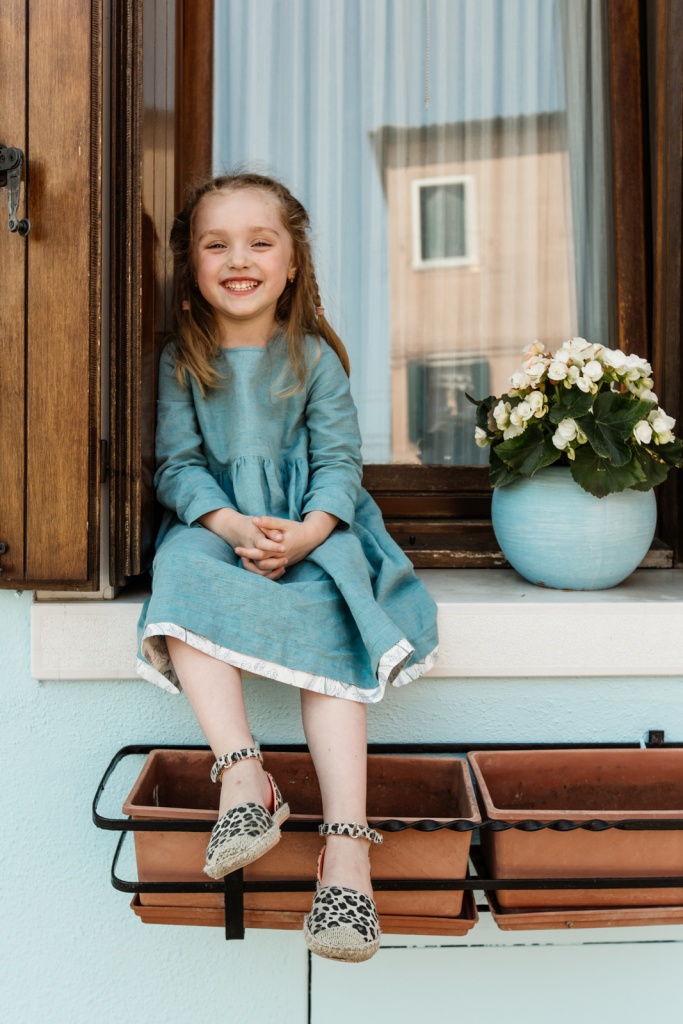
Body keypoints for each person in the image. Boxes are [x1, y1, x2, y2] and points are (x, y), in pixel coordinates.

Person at [137, 172, 438, 962]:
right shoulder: (180, 360)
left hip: (311, 526)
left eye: (259, 242)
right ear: (192, 265)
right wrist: (231, 524)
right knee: (180, 576)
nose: (239, 259)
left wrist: (306, 534)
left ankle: (346, 852)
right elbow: (177, 466)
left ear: (292, 262)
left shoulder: (313, 359)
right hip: (217, 523)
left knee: (332, 610)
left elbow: (339, 463)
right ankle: (242, 776)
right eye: (217, 245)